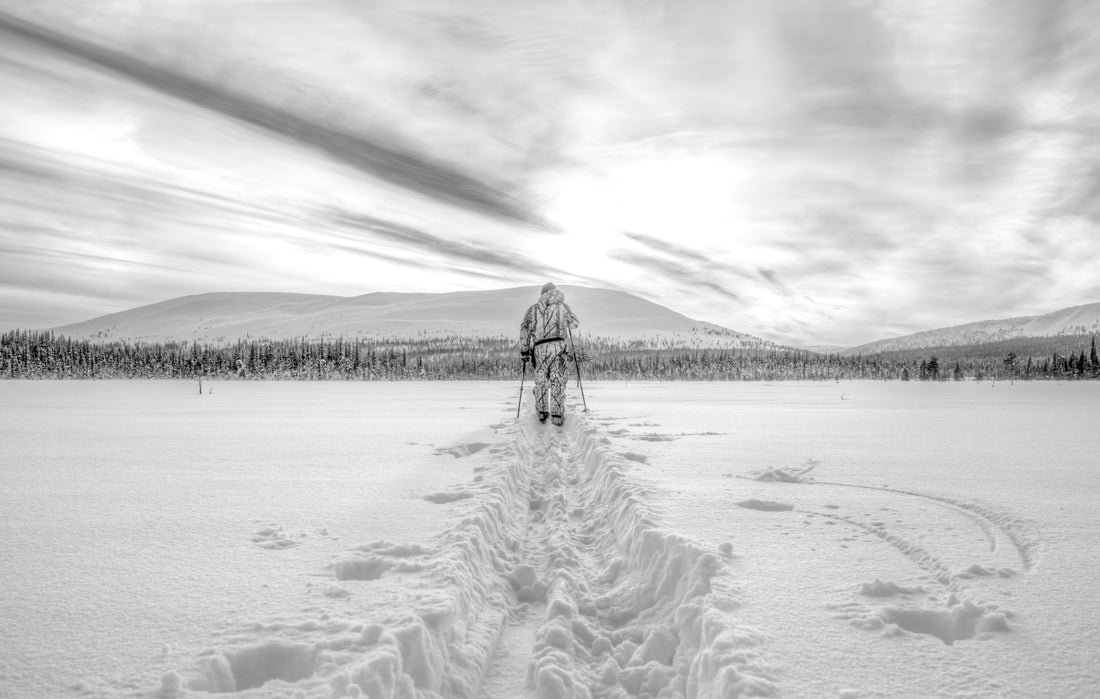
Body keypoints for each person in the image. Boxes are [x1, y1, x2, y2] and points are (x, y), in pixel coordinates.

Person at [519, 282, 579, 426]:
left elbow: (524, 329)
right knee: (557, 380)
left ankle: (542, 412)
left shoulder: (533, 310)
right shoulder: (563, 307)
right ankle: (557, 414)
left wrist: (525, 350)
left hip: (540, 348)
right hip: (559, 346)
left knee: (541, 382)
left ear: (542, 294)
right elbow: (574, 323)